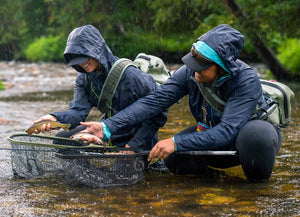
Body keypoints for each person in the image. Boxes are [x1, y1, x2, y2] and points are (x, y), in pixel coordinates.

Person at [80, 24, 282, 181]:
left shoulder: (246, 81)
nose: (195, 71)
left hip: (246, 142)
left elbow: (227, 131)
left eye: (202, 67)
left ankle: (256, 192)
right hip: (212, 136)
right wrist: (107, 127)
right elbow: (153, 102)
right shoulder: (189, 74)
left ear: (222, 67)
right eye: (193, 65)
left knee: (256, 137)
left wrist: (176, 142)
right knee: (174, 160)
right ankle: (218, 181)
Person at [32, 24, 167, 151]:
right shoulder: (83, 79)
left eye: (84, 57)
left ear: (97, 51)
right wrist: (54, 118)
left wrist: (132, 146)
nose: (81, 63)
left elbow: (159, 114)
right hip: (108, 131)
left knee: (121, 174)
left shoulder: (131, 75)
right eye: (76, 59)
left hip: (139, 136)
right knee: (62, 140)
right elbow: (78, 113)